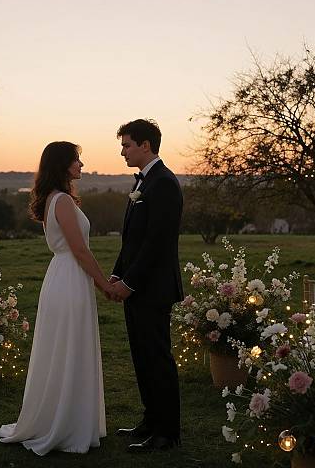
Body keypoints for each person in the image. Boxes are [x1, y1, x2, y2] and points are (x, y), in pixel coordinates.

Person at [0, 141, 111, 455]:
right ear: (62, 165)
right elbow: (81, 251)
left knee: (70, 346)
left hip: (65, 277)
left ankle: (74, 418)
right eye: (77, 160)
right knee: (69, 346)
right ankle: (64, 423)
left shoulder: (58, 199)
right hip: (70, 277)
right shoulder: (61, 202)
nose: (82, 165)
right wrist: (105, 285)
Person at [110, 118, 183, 452]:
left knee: (157, 358)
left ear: (145, 145)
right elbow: (132, 240)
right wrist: (117, 273)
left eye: (126, 144)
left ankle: (167, 432)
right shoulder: (143, 183)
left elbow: (157, 242)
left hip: (153, 288)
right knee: (141, 357)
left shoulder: (163, 183)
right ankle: (151, 421)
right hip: (136, 285)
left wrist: (130, 282)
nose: (122, 151)